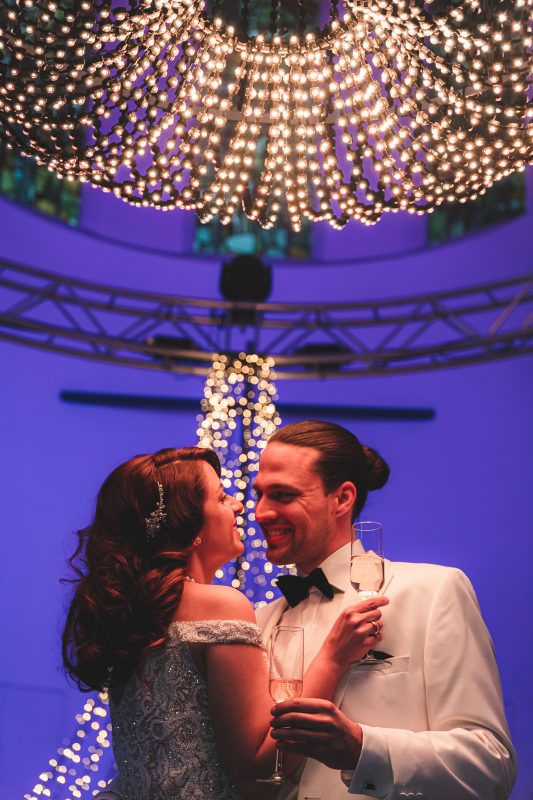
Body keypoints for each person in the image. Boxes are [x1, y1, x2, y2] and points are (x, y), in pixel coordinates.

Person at [63, 445, 387, 799]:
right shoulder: (220, 604)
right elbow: (259, 769)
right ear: (191, 525)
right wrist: (334, 656)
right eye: (221, 497)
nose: (238, 506)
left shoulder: (140, 612)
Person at [254, 420, 517, 800]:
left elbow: (491, 766)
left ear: (343, 498)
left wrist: (363, 749)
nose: (261, 512)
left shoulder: (433, 591)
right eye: (259, 494)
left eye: (282, 495)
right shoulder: (259, 621)